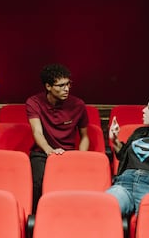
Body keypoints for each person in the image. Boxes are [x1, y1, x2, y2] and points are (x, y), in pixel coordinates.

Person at [26, 63, 90, 213]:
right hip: (42, 152)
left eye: (68, 84)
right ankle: (37, 218)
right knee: (38, 182)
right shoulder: (33, 102)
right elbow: (37, 132)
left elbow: (85, 136)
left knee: (75, 184)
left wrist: (81, 157)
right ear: (48, 86)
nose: (66, 89)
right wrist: (50, 150)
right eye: (61, 86)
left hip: (68, 153)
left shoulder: (78, 104)